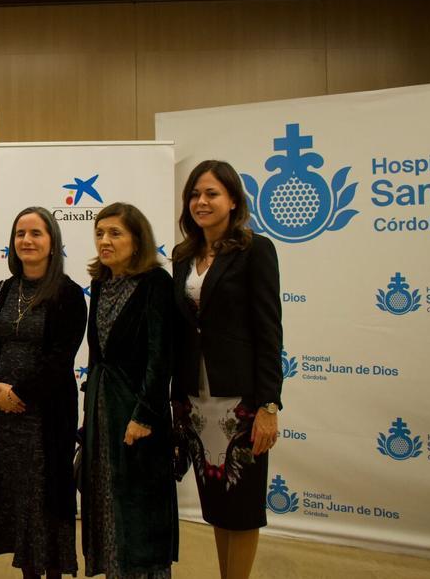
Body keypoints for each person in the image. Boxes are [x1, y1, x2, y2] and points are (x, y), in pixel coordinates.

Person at [171, 160, 283, 579]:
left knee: (244, 507)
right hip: (196, 400)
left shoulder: (256, 250)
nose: (201, 202)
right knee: (216, 505)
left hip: (241, 402)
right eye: (195, 195)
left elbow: (269, 331)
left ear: (233, 200)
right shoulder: (183, 256)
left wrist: (269, 405)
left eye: (212, 193)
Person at [0, 206, 86, 579]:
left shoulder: (69, 294)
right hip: (4, 420)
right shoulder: (3, 290)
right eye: (20, 233)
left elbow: (60, 359)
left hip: (45, 417)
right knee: (18, 502)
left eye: (36, 233)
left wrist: (18, 394)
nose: (27, 240)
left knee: (45, 502)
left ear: (53, 243)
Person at [80, 203, 177, 578]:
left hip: (138, 415)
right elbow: (98, 353)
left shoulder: (156, 283)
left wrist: (144, 415)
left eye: (115, 233)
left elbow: (160, 356)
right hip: (103, 411)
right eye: (100, 233)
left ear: (137, 241)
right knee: (105, 500)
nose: (105, 240)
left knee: (140, 511)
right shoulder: (100, 283)